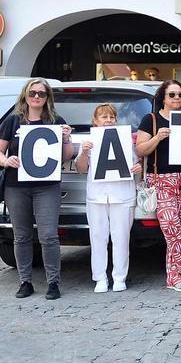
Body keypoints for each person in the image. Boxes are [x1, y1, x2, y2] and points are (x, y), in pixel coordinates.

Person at [0, 79, 74, 300]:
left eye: (42, 93)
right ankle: (25, 281)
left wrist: (66, 138)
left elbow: (67, 156)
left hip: (47, 187)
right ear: (25, 95)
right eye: (33, 93)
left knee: (48, 235)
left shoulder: (56, 121)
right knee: (21, 236)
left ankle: (53, 283)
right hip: (16, 187)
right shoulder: (13, 121)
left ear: (48, 97)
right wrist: (6, 161)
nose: (37, 97)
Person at [136, 80, 181, 292]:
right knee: (170, 226)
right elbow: (141, 150)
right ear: (163, 97)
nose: (177, 98)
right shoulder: (151, 119)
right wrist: (157, 138)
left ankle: (175, 277)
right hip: (161, 179)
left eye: (180, 94)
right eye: (172, 94)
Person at [76, 104, 141, 293]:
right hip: (97, 196)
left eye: (111, 117)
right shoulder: (89, 141)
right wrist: (84, 152)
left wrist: (139, 168)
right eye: (104, 117)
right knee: (98, 237)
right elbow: (81, 168)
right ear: (95, 121)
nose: (108, 120)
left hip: (122, 195)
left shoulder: (126, 140)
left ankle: (119, 277)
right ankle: (100, 278)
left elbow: (137, 164)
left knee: (121, 238)